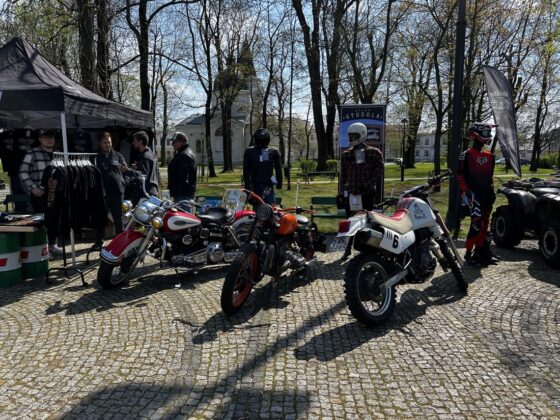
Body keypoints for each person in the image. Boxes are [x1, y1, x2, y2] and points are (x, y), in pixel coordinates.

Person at [457, 122, 500, 266]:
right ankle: (468, 253)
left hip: (487, 194)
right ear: (475, 135)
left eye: (489, 133)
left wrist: (492, 190)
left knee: (485, 224)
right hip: (473, 195)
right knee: (476, 224)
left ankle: (480, 252)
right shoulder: (466, 155)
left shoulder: (490, 156)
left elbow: (490, 176)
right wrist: (465, 192)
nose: (488, 136)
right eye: (485, 133)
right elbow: (460, 175)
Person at [18, 129, 62, 256]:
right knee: (42, 221)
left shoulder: (58, 154)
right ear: (40, 139)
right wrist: (33, 188)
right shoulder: (32, 153)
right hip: (40, 193)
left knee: (55, 219)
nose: (49, 140)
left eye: (51, 137)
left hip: (56, 193)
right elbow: (22, 172)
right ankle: (44, 249)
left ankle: (53, 245)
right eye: (46, 137)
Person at [340, 122, 384, 215]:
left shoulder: (374, 153)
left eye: (355, 136)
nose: (352, 139)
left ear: (362, 134)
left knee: (366, 217)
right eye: (350, 136)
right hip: (352, 194)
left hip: (367, 193)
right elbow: (343, 175)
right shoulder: (346, 154)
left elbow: (379, 170)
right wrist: (343, 192)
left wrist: (368, 184)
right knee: (352, 218)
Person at [95, 132, 128, 247]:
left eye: (109, 142)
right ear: (99, 143)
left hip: (117, 192)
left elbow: (125, 170)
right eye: (104, 143)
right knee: (100, 218)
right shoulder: (95, 156)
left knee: (118, 218)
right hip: (102, 193)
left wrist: (124, 173)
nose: (107, 145)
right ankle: (99, 241)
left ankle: (121, 242)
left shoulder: (118, 155)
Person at [243, 128, 282, 205]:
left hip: (264, 184)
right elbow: (246, 170)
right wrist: (247, 186)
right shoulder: (250, 152)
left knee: (266, 204)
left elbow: (278, 169)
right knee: (261, 204)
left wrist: (247, 186)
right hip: (257, 184)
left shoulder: (273, 151)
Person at [127, 130, 160, 203]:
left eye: (134, 141)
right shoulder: (152, 155)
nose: (133, 143)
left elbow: (143, 175)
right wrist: (137, 168)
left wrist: (127, 170)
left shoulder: (145, 157)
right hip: (153, 192)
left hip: (145, 193)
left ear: (140, 141)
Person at [167, 132, 197, 209]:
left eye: (174, 142)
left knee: (182, 216)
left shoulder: (184, 155)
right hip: (182, 194)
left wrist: (176, 190)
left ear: (180, 142)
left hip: (183, 196)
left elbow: (183, 178)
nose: (172, 144)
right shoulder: (183, 154)